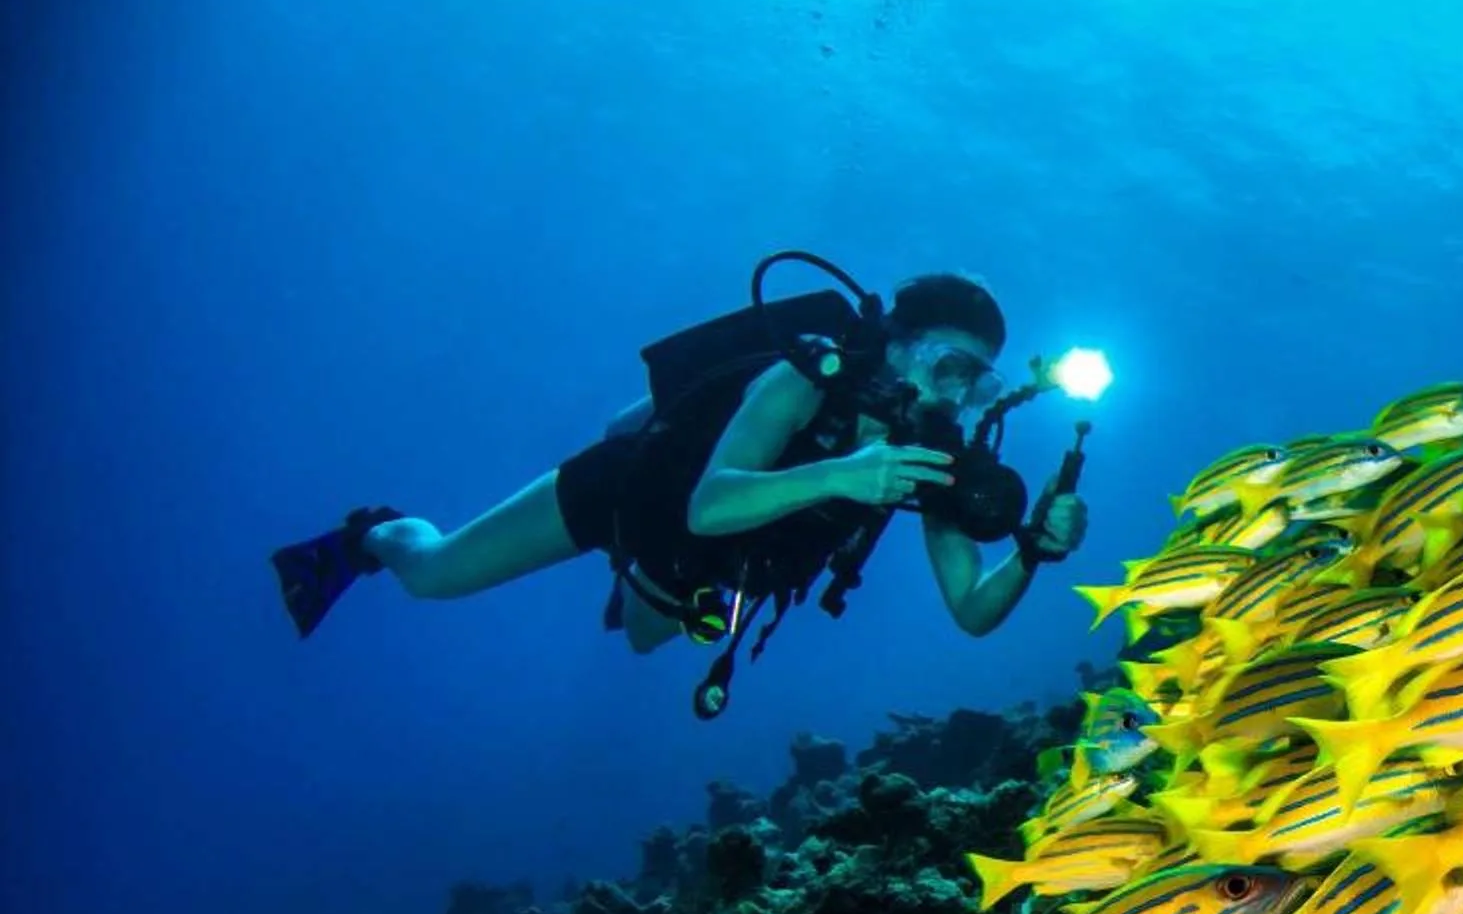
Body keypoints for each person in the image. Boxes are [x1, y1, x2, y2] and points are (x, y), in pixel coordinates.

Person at [272, 263, 1087, 711]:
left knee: (641, 636)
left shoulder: (936, 454)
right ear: (899, 346)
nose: (956, 395)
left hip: (696, 564)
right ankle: (369, 532)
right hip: (635, 489)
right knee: (435, 576)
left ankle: (636, 578)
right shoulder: (804, 378)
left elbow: (972, 612)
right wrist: (842, 472)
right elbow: (711, 500)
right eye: (948, 366)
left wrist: (1030, 550)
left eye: (977, 382)